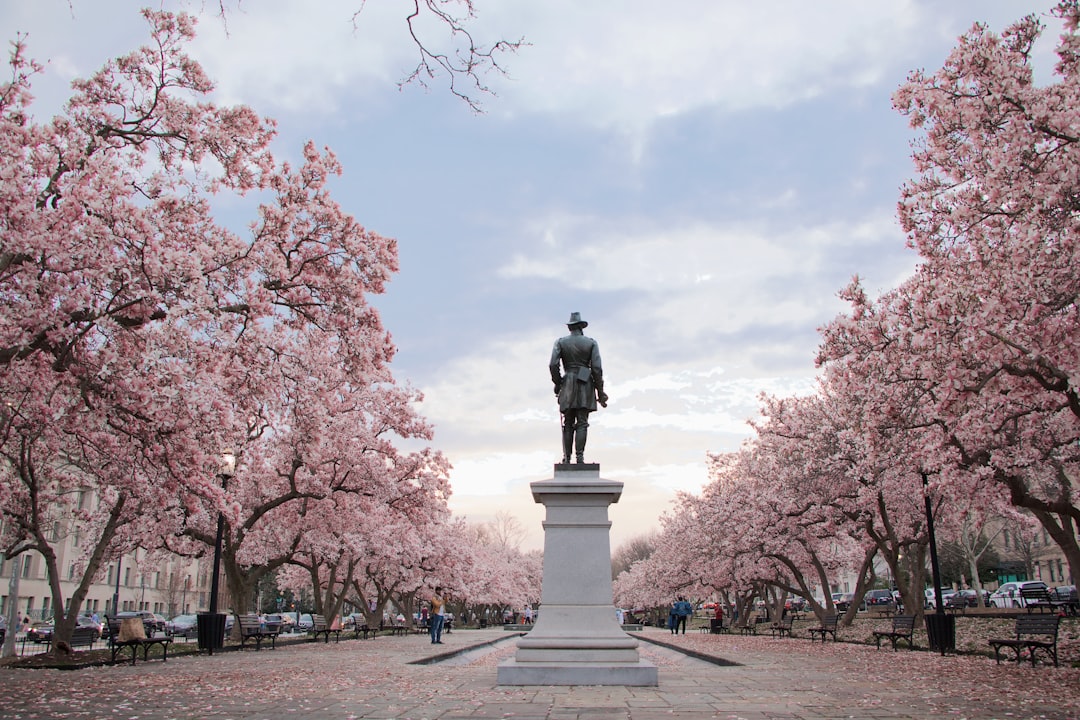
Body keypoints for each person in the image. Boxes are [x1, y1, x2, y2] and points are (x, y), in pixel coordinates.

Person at [549, 312, 608, 464]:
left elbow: (553, 365)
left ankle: (567, 458)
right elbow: (597, 369)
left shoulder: (560, 342)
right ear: (582, 327)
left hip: (567, 382)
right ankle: (580, 457)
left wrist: (558, 382)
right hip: (585, 383)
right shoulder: (591, 343)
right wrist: (600, 392)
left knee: (568, 422)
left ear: (570, 327)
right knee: (582, 421)